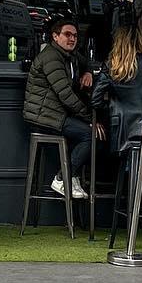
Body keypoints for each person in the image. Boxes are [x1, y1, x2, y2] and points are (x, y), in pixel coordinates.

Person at [22, 15, 97, 201]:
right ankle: (63, 178)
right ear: (55, 36)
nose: (72, 39)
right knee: (89, 134)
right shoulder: (51, 57)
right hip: (43, 117)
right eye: (67, 34)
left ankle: (71, 176)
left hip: (55, 114)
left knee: (88, 133)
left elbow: (86, 61)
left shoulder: (68, 55)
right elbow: (65, 94)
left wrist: (87, 71)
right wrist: (90, 119)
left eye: (75, 36)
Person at [91, 15, 142, 157]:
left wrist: (114, 104)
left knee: (131, 157)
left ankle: (132, 175)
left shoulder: (111, 65)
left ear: (118, 42)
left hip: (123, 130)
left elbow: (95, 99)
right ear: (140, 40)